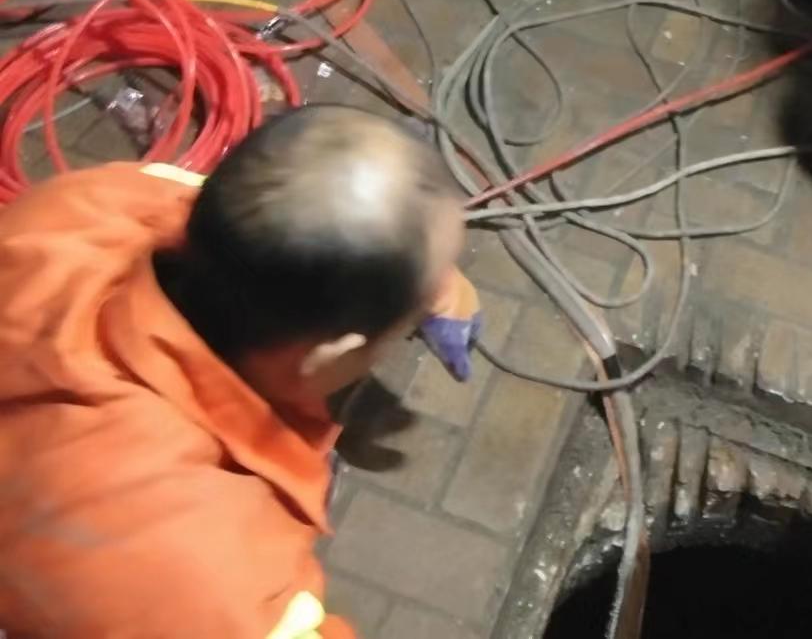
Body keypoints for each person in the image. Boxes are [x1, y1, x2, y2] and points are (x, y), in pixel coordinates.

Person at [0, 107, 480, 638]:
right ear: (327, 359)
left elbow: (298, 214)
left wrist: (423, 279)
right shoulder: (214, 590)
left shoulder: (95, 200)